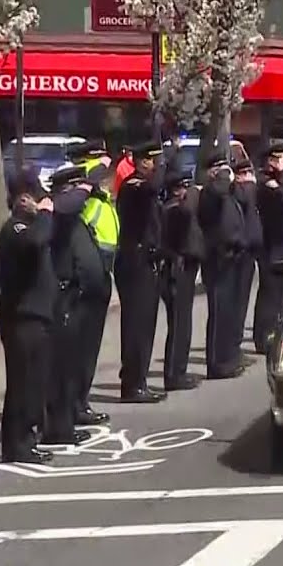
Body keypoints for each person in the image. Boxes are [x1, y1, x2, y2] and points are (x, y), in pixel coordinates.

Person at [0, 168, 58, 463]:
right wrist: (44, 213)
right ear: (23, 199)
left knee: (35, 382)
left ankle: (28, 438)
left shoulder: (34, 227)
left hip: (38, 315)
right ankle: (16, 444)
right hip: (22, 316)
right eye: (36, 197)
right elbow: (35, 242)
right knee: (21, 384)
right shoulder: (15, 229)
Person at [43, 166, 97, 446]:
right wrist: (84, 188)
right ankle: (58, 426)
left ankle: (71, 414)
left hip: (78, 297)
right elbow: (68, 204)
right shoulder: (59, 212)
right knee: (60, 368)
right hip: (61, 296)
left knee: (73, 364)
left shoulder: (74, 218)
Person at [114, 141, 166, 403]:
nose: (154, 165)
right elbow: (153, 187)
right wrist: (165, 164)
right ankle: (132, 384)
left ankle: (139, 380)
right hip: (134, 261)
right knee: (136, 325)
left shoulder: (145, 186)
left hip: (147, 260)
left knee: (146, 325)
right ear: (140, 161)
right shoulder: (133, 185)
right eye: (150, 160)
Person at [75, 164, 117, 424]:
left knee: (90, 348)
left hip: (103, 273)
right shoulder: (92, 205)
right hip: (90, 279)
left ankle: (81, 401)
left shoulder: (105, 203)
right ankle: (77, 404)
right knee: (83, 350)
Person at [197, 155, 246, 379]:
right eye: (218, 168)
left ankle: (228, 358)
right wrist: (223, 177)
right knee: (218, 312)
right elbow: (218, 193)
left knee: (228, 312)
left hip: (232, 255)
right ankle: (217, 363)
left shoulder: (228, 191)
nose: (224, 172)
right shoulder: (209, 192)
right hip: (217, 257)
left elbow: (243, 196)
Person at [253, 143, 283, 355]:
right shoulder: (266, 182)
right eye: (280, 160)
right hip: (274, 244)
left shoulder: (281, 181)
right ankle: (264, 338)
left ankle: (277, 334)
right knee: (271, 295)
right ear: (271, 162)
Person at [159, 170, 204, 391]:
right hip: (176, 271)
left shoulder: (181, 207)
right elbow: (186, 214)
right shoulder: (172, 209)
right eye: (183, 187)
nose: (187, 191)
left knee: (184, 323)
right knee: (178, 325)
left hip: (186, 268)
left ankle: (180, 371)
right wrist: (194, 193)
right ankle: (173, 375)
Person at [232, 157, 263, 367]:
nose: (250, 179)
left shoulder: (250, 192)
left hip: (250, 250)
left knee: (242, 301)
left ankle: (236, 345)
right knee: (237, 302)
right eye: (244, 174)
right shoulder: (239, 192)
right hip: (239, 251)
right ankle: (233, 345)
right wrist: (246, 184)